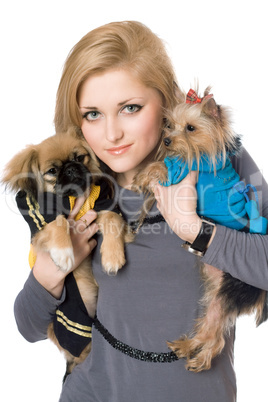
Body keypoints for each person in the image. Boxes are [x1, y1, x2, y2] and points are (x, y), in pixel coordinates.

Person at [14, 21, 268, 402]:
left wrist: (194, 230)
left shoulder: (214, 161)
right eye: (93, 115)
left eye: (130, 108)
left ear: (164, 101)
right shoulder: (80, 184)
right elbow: (28, 327)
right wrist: (47, 275)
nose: (112, 135)